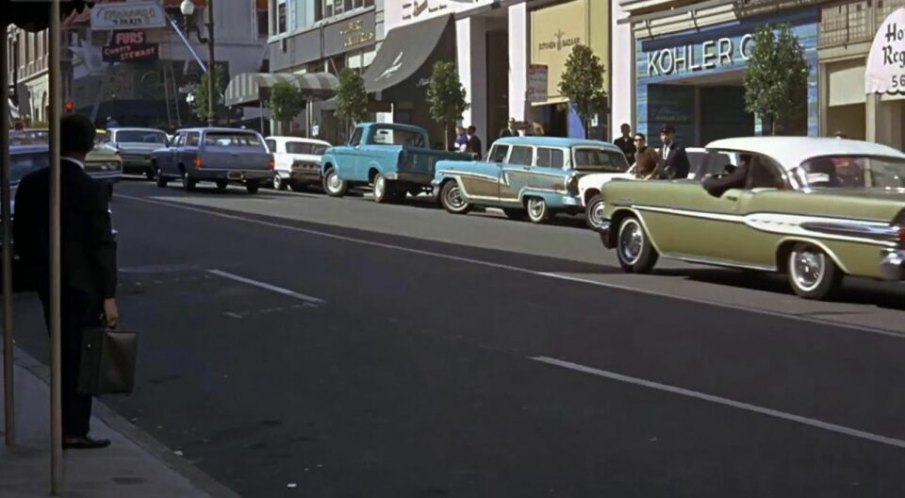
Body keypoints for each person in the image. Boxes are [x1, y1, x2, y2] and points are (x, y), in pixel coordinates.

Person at [14, 114, 119, 450]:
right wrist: (108, 295)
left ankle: (68, 423)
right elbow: (101, 245)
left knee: (61, 351)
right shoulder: (91, 189)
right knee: (82, 357)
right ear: (88, 147)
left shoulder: (32, 183)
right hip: (83, 287)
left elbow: (21, 237)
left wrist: (36, 271)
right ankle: (74, 427)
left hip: (48, 281)